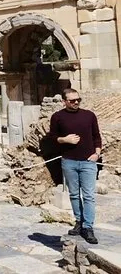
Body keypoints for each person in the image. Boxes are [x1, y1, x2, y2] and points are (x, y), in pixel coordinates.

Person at [49, 88, 102, 244]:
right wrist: (64, 139)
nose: (76, 102)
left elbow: (97, 136)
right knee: (73, 194)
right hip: (69, 161)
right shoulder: (57, 117)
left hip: (88, 161)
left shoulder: (89, 115)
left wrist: (97, 154)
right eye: (72, 100)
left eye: (78, 99)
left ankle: (88, 227)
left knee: (89, 196)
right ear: (64, 101)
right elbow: (52, 138)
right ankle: (79, 222)